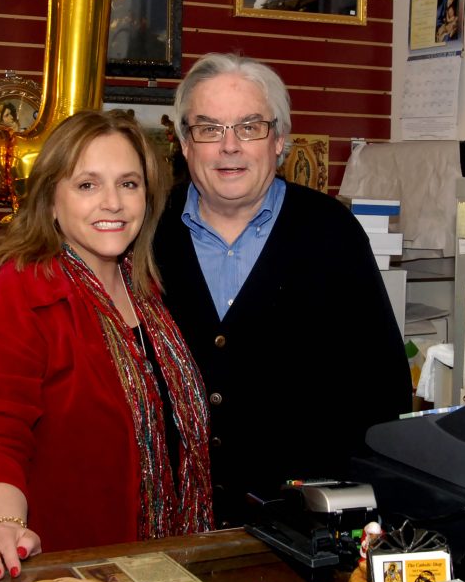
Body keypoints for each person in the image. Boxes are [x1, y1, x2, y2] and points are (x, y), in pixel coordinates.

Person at [0, 110, 214, 578]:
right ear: (50, 201)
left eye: (129, 184)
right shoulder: (17, 296)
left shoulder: (149, 292)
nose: (113, 202)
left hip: (168, 570)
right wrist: (3, 524)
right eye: (87, 185)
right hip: (72, 579)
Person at [153, 53, 412, 529]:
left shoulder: (332, 233)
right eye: (209, 128)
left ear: (279, 141)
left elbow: (383, 390)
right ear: (185, 145)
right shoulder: (146, 234)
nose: (229, 147)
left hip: (301, 533)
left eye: (249, 127)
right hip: (167, 527)